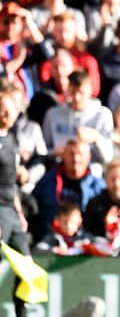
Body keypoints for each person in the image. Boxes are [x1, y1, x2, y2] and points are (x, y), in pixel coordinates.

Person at [0, 88, 30, 316]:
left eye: (11, 110)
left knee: (25, 264)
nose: (7, 114)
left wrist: (19, 211)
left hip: (11, 208)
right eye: (4, 109)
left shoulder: (11, 138)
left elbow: (12, 183)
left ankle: (21, 312)